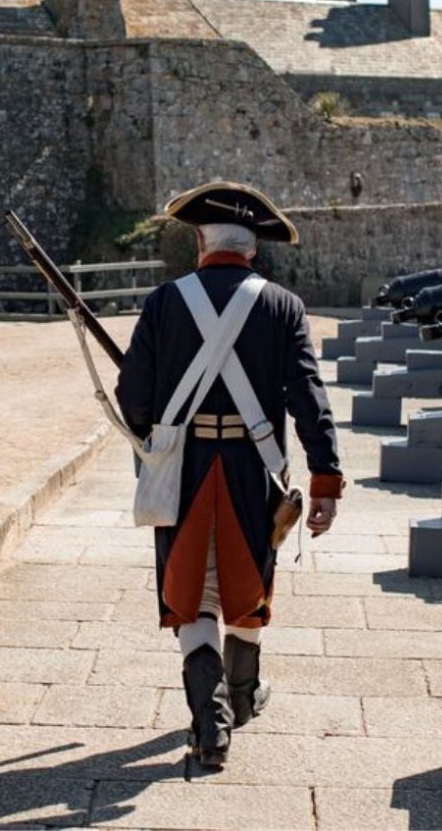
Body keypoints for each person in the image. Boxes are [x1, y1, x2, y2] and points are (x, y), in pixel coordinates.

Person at [115, 181, 344, 769]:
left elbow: (131, 396)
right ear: (254, 250)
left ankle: (212, 725)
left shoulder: (166, 302)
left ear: (200, 242)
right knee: (250, 586)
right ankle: (240, 699)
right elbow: (308, 397)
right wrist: (324, 479)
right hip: (254, 469)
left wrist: (157, 437)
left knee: (193, 596)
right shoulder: (283, 306)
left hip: (187, 471)